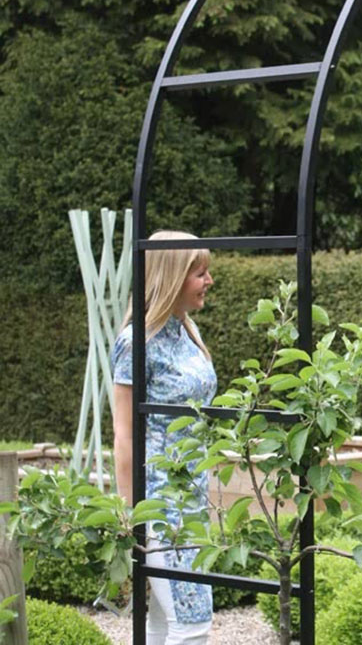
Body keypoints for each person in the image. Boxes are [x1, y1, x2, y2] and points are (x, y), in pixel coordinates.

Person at [112, 231, 217, 645]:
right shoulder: (136, 343)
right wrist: (129, 517)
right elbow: (124, 434)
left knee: (161, 624)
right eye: (200, 272)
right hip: (160, 507)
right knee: (192, 626)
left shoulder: (188, 331)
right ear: (172, 276)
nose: (209, 281)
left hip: (193, 501)